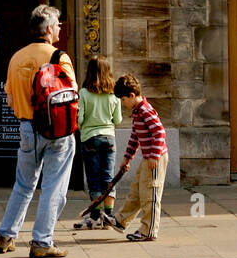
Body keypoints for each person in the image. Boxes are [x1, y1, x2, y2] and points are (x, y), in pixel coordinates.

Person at [0, 3, 76, 258]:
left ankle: (6, 236)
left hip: (26, 127)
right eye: (58, 24)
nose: (60, 28)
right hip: (57, 130)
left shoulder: (17, 57)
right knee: (53, 187)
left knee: (23, 185)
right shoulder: (59, 57)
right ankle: (42, 241)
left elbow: (9, 97)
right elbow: (71, 95)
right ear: (49, 29)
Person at [110, 73, 168, 242]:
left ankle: (148, 230)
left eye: (123, 100)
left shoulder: (145, 110)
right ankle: (121, 220)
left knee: (151, 193)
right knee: (136, 191)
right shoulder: (137, 111)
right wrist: (127, 157)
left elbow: (159, 131)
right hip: (147, 157)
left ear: (132, 95)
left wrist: (154, 156)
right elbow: (135, 136)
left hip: (155, 158)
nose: (122, 103)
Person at [72, 56, 122, 230]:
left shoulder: (84, 93)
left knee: (94, 180)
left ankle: (94, 217)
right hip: (109, 137)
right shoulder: (114, 93)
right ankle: (108, 216)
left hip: (90, 138)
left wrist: (84, 127)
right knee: (108, 178)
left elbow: (79, 118)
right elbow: (118, 119)